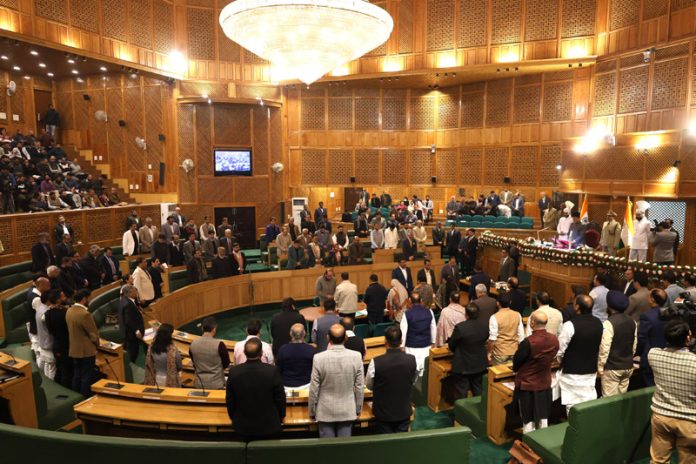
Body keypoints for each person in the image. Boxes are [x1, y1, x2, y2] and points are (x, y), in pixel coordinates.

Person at [647, 320, 696, 463]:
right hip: (690, 422)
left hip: (661, 417)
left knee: (658, 460)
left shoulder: (653, 355)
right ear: (688, 337)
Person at [309, 323, 364, 438]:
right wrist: (358, 408)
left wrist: (312, 411)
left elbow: (314, 388)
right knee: (344, 449)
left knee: (327, 449)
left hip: (325, 410)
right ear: (346, 338)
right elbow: (359, 387)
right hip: (347, 409)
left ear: (328, 338)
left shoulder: (319, 358)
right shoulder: (356, 356)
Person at [226, 338, 286, 441]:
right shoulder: (272, 371)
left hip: (242, 426)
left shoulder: (234, 372)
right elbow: (280, 397)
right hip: (269, 426)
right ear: (261, 353)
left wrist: (234, 418)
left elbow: (230, 400)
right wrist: (281, 416)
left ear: (244, 353)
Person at [513, 311, 559, 434]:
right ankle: (542, 442)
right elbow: (553, 354)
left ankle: (527, 446)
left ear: (532, 323)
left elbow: (516, 362)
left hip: (528, 384)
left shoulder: (528, 342)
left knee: (528, 418)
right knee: (543, 417)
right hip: (544, 383)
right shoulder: (554, 339)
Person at [557, 294, 603, 414]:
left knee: (572, 405)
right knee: (588, 403)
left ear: (577, 307)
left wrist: (561, 362)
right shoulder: (599, 323)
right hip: (591, 369)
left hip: (572, 372)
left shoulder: (569, 325)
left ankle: (575, 430)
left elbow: (560, 349)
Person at [366, 325, 417, 434]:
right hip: (403, 410)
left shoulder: (375, 362)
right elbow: (413, 379)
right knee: (401, 443)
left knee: (385, 444)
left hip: (383, 412)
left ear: (385, 341)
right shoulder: (411, 360)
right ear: (401, 340)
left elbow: (369, 385)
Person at [597, 291, 637, 397]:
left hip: (612, 367)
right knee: (620, 400)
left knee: (609, 401)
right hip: (628, 366)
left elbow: (605, 347)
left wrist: (600, 366)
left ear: (609, 305)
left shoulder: (609, 323)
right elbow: (634, 344)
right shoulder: (632, 321)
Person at [448, 303, 489, 398]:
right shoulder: (484, 326)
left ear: (466, 314)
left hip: (463, 365)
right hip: (479, 364)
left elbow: (451, 345)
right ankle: (478, 411)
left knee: (461, 393)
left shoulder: (460, 328)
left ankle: (461, 412)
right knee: (478, 392)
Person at [66, 289, 98, 397]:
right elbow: (93, 334)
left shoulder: (69, 311)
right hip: (86, 351)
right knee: (86, 377)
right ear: (84, 299)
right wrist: (97, 344)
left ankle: (76, 397)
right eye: (89, 297)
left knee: (77, 375)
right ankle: (85, 398)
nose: (90, 300)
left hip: (74, 349)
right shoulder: (85, 314)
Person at [189, 317, 230, 390]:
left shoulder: (193, 344)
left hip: (199, 383)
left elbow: (194, 362)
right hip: (216, 383)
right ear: (214, 329)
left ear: (202, 329)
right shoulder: (220, 344)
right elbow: (226, 363)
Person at [637, 289, 668, 387]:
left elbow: (642, 338)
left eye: (648, 295)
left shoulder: (647, 316)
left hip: (650, 357)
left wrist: (638, 353)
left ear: (652, 299)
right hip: (666, 355)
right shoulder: (670, 314)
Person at [400, 293, 435, 377]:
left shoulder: (407, 314)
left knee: (412, 371)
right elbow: (433, 327)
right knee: (425, 371)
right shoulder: (429, 311)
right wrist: (433, 341)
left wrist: (402, 345)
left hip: (411, 347)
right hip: (426, 345)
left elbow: (403, 331)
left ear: (410, 301)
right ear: (421, 301)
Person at [488, 293, 524, 365]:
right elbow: (521, 335)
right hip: (514, 350)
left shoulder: (494, 317)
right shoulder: (517, 315)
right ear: (510, 302)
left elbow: (493, 339)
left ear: (497, 303)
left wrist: (489, 352)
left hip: (500, 352)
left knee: (499, 375)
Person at [276, 323, 315, 390]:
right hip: (307, 385)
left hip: (286, 386)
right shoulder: (311, 349)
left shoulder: (283, 349)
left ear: (291, 334)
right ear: (304, 334)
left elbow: (278, 369)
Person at [45, 290, 71, 388]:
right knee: (65, 372)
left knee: (60, 370)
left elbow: (50, 330)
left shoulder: (48, 313)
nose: (65, 298)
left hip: (57, 345)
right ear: (58, 299)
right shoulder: (63, 313)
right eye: (63, 296)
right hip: (64, 346)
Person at [144, 323, 182, 388]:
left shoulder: (151, 347)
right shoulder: (173, 349)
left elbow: (149, 363)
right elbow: (179, 366)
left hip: (155, 378)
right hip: (170, 379)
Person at [119, 285, 145, 364]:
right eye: (135, 291)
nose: (137, 292)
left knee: (128, 349)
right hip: (131, 334)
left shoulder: (124, 300)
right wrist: (136, 331)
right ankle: (130, 366)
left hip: (126, 332)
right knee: (133, 351)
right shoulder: (128, 304)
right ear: (130, 293)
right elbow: (129, 320)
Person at [36, 290, 58, 379]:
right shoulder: (46, 313)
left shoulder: (39, 308)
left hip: (42, 342)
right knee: (52, 368)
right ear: (49, 300)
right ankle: (52, 386)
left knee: (46, 365)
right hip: (48, 343)